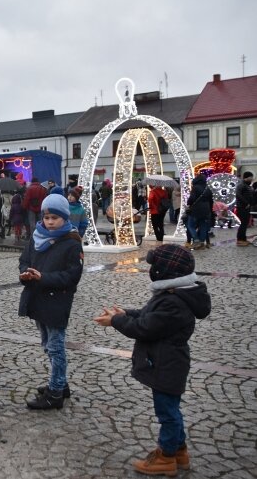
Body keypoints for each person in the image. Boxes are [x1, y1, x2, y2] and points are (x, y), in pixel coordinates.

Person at [94, 244, 211, 476]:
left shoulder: (173, 301)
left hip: (166, 365)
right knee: (170, 409)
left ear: (164, 272)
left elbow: (145, 328)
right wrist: (124, 313)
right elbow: (149, 316)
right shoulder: (175, 293)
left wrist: (116, 322)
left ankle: (166, 457)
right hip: (167, 362)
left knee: (167, 412)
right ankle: (179, 451)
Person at [18, 194, 83, 409]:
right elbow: (24, 260)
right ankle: (61, 384)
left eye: (55, 217)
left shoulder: (72, 243)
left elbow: (72, 276)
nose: (50, 222)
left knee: (56, 347)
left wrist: (43, 278)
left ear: (65, 218)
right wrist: (25, 273)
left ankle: (55, 394)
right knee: (47, 344)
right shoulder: (37, 236)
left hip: (57, 301)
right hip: (37, 297)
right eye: (47, 217)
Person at [186, 174, 213, 250]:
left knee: (190, 225)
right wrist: (210, 211)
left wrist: (188, 203)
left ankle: (196, 240)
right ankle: (201, 242)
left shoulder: (195, 188)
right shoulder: (207, 188)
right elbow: (211, 201)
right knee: (203, 226)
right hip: (206, 209)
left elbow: (192, 198)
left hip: (196, 209)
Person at [235, 171, 254, 246]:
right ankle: (240, 239)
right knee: (243, 224)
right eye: (250, 177)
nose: (252, 179)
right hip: (242, 207)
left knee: (245, 223)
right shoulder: (241, 185)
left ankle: (243, 239)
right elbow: (238, 195)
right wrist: (246, 203)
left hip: (247, 207)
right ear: (246, 177)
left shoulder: (248, 185)